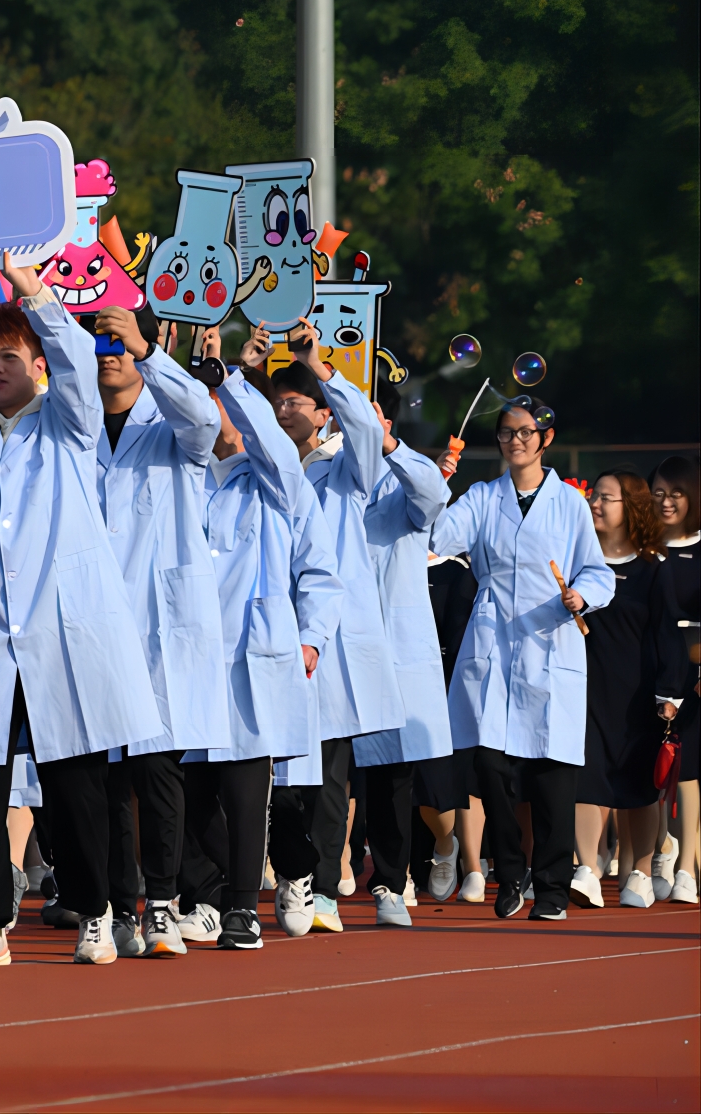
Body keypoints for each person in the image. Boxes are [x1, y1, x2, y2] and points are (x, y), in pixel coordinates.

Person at [0, 257, 163, 965]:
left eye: (8, 356)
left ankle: (98, 908)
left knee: (74, 781)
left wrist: (34, 291)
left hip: (61, 627)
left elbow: (80, 359)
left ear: (38, 364)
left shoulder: (67, 423)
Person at [429, 398, 614, 920]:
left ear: (546, 439)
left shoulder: (569, 503)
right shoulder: (483, 497)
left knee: (552, 775)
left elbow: (597, 572)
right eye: (507, 432)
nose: (515, 441)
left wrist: (582, 595)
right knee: (489, 763)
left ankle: (553, 889)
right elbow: (440, 536)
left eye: (526, 433)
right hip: (493, 640)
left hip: (551, 639)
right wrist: (439, 480)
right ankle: (511, 872)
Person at [176, 351, 337, 952]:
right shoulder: (179, 473)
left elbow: (319, 573)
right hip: (188, 650)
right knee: (184, 788)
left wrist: (311, 638)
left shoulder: (276, 479)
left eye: (223, 402)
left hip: (253, 653)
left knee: (247, 791)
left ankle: (244, 904)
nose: (213, 411)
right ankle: (209, 896)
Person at [87, 306, 224, 958]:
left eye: (119, 340)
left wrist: (149, 353)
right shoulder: (75, 422)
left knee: (157, 771)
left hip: (161, 624)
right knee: (106, 779)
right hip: (96, 621)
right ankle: (116, 904)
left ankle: (164, 903)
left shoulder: (173, 424)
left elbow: (203, 419)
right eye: (100, 339)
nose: (108, 351)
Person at [259, 323, 404, 935]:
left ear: (322, 412)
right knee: (277, 770)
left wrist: (320, 365)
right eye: (276, 403)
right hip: (270, 628)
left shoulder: (345, 466)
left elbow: (369, 431)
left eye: (296, 402)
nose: (284, 411)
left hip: (330, 638)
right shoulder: (258, 467)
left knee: (328, 771)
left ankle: (321, 888)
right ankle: (293, 877)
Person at [353, 392, 459, 926]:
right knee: (328, 775)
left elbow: (433, 494)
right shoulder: (323, 473)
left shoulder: (405, 486)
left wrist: (389, 444)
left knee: (391, 772)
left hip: (389, 649)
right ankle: (323, 882)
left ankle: (391, 883)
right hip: (332, 642)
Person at [573, 471, 684, 908]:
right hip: (583, 691)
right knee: (587, 779)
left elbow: (667, 634)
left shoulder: (653, 569)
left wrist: (669, 693)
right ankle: (586, 866)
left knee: (637, 789)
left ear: (630, 507)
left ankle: (639, 871)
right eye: (593, 496)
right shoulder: (579, 563)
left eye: (606, 498)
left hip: (639, 697)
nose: (595, 504)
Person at [651, 456, 700, 903]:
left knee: (688, 770)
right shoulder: (641, 549)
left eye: (677, 493)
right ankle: (660, 848)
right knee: (650, 771)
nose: (667, 502)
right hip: (644, 671)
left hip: (693, 675)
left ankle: (687, 865)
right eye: (659, 493)